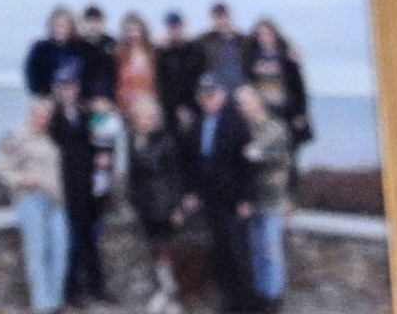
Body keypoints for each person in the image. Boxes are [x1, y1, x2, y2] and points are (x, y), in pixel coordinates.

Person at [179, 81, 262, 314]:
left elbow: (249, 165)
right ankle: (230, 303)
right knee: (221, 252)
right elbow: (190, 164)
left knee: (238, 253)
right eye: (204, 95)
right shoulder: (195, 125)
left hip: (234, 199)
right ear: (199, 98)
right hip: (210, 199)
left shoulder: (238, 125)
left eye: (213, 94)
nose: (209, 99)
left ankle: (249, 304)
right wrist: (191, 193)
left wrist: (247, 199)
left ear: (222, 96)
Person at [0, 98, 70, 313]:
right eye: (38, 115)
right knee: (37, 252)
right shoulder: (18, 136)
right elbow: (2, 166)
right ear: (31, 114)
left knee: (60, 250)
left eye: (46, 116)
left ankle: (55, 301)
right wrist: (21, 179)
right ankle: (43, 305)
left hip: (56, 201)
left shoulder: (51, 138)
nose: (41, 119)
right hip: (32, 200)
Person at [49, 68, 109, 306]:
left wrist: (102, 155)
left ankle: (97, 287)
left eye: (71, 86)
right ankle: (72, 291)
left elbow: (102, 136)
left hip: (88, 186)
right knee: (71, 241)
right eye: (63, 86)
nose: (68, 90)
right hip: (65, 187)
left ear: (77, 88)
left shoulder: (87, 114)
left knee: (91, 240)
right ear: (56, 89)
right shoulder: (51, 117)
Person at [123, 96, 188, 314]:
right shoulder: (133, 140)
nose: (145, 120)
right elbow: (133, 176)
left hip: (165, 202)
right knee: (153, 249)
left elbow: (177, 175)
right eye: (141, 116)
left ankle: (171, 294)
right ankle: (163, 291)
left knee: (167, 249)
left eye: (149, 116)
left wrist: (178, 206)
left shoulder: (166, 140)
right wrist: (133, 203)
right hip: (146, 205)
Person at [234, 85, 292, 307]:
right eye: (239, 103)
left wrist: (255, 153)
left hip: (272, 197)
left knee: (270, 250)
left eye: (246, 101)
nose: (242, 106)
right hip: (251, 197)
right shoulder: (242, 127)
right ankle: (260, 297)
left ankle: (274, 298)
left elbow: (275, 156)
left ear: (257, 101)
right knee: (256, 250)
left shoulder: (274, 127)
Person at [244, 20, 312, 174]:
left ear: (275, 35)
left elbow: (298, 88)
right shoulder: (252, 58)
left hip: (285, 112)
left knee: (288, 155)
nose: (264, 38)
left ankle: (290, 190)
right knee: (264, 153)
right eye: (260, 34)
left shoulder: (287, 58)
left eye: (267, 34)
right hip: (263, 115)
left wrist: (300, 114)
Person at [155, 13, 204, 123]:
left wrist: (189, 105)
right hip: (170, 107)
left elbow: (198, 79)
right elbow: (162, 82)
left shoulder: (195, 50)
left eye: (178, 26)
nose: (175, 30)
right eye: (172, 27)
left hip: (193, 105)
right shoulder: (163, 53)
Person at [25, 8, 76, 97]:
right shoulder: (40, 48)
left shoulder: (77, 49)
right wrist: (42, 92)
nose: (59, 29)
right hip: (45, 96)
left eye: (63, 26)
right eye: (56, 25)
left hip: (71, 98)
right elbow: (31, 73)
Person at [73, 7, 118, 107]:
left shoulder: (111, 45)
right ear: (83, 24)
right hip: (82, 101)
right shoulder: (76, 46)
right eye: (89, 22)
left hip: (107, 101)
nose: (93, 26)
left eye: (97, 22)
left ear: (103, 23)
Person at [117, 14, 161, 118]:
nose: (133, 34)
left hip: (149, 107)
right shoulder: (120, 55)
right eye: (130, 31)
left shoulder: (153, 54)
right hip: (126, 107)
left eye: (136, 30)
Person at [196, 6, 246, 95]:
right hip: (218, 94)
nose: (221, 21)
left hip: (240, 91)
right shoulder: (205, 40)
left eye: (223, 16)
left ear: (230, 17)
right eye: (217, 18)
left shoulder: (242, 40)